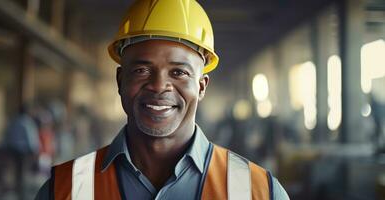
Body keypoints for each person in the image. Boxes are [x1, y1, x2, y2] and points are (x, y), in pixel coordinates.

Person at [36, 0, 289, 199]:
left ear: (201, 87)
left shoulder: (259, 192)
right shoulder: (63, 190)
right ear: (120, 81)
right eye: (141, 70)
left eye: (178, 72)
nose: (159, 86)